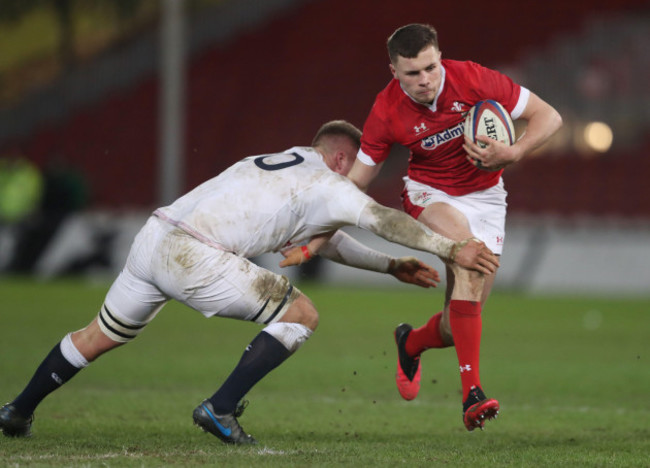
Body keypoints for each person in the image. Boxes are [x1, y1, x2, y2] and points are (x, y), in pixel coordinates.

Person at [0, 120, 499, 444]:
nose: (360, 176)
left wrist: (389, 267)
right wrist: (451, 249)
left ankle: (18, 411)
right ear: (344, 159)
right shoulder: (329, 183)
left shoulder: (287, 161)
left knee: (97, 335)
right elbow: (384, 219)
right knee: (302, 314)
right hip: (195, 254)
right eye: (362, 165)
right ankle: (219, 408)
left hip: (154, 237)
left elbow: (327, 239)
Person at [342, 24, 562, 431]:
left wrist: (512, 151)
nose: (424, 80)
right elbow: (356, 181)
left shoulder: (474, 79)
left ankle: (410, 342)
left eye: (430, 68)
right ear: (394, 71)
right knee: (470, 253)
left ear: (439, 57)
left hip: (487, 196)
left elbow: (549, 116)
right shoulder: (386, 110)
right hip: (431, 195)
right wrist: (311, 218)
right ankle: (472, 395)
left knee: (457, 320)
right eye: (412, 73)